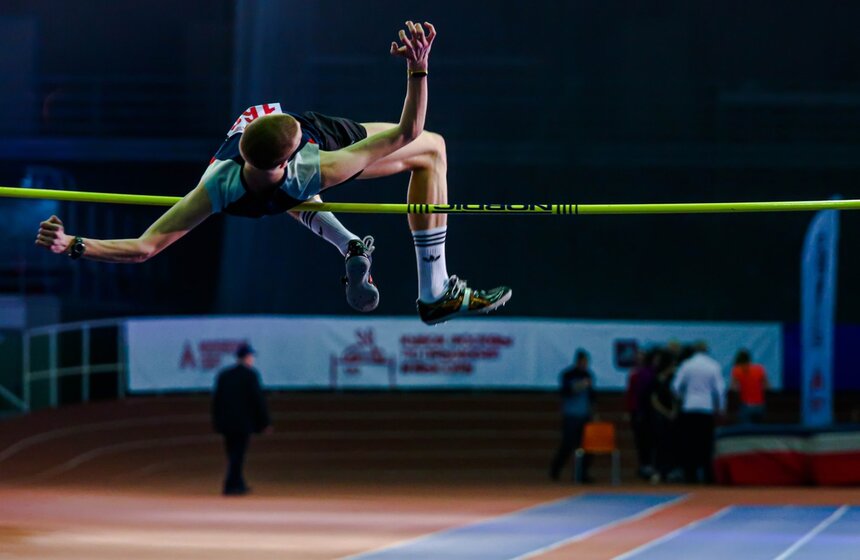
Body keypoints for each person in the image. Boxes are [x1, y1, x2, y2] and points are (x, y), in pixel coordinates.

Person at [33, 22, 511, 325]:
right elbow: (411, 131)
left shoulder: (217, 186)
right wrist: (418, 69)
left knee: (283, 200)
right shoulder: (320, 163)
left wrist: (72, 244)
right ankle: (433, 290)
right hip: (315, 157)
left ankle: (348, 243)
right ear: (294, 151)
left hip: (261, 192)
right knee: (433, 151)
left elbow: (142, 249)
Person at [212, 343, 271, 496]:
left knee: (232, 452)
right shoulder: (250, 375)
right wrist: (264, 422)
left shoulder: (224, 375)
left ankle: (238, 482)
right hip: (243, 422)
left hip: (226, 422)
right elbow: (258, 400)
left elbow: (216, 400)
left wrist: (217, 421)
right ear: (247, 357)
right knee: (238, 453)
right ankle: (230, 484)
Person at [672, 341, 725, 483]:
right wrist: (720, 408)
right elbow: (719, 390)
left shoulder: (687, 365)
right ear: (707, 350)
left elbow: (676, 387)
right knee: (706, 443)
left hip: (689, 407)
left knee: (689, 442)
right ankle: (708, 475)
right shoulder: (713, 365)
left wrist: (682, 399)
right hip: (706, 408)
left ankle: (690, 475)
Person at [549, 349, 596, 483]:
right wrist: (579, 386)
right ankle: (555, 469)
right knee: (567, 444)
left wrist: (593, 412)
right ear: (578, 361)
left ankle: (582, 474)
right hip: (571, 415)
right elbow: (565, 392)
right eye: (583, 361)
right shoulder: (568, 375)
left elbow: (592, 395)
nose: (585, 364)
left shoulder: (588, 374)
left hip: (584, 415)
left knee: (586, 447)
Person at [626, 349, 655, 480]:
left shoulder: (648, 373)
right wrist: (630, 409)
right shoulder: (633, 372)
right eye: (637, 357)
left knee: (647, 439)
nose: (639, 359)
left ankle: (649, 465)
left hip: (646, 410)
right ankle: (644, 465)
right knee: (639, 440)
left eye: (641, 357)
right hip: (636, 409)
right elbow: (631, 393)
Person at [730, 348, 769, 424]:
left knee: (746, 432)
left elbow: (733, 388)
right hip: (760, 405)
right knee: (759, 432)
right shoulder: (760, 368)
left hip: (746, 405)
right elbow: (767, 386)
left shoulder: (737, 370)